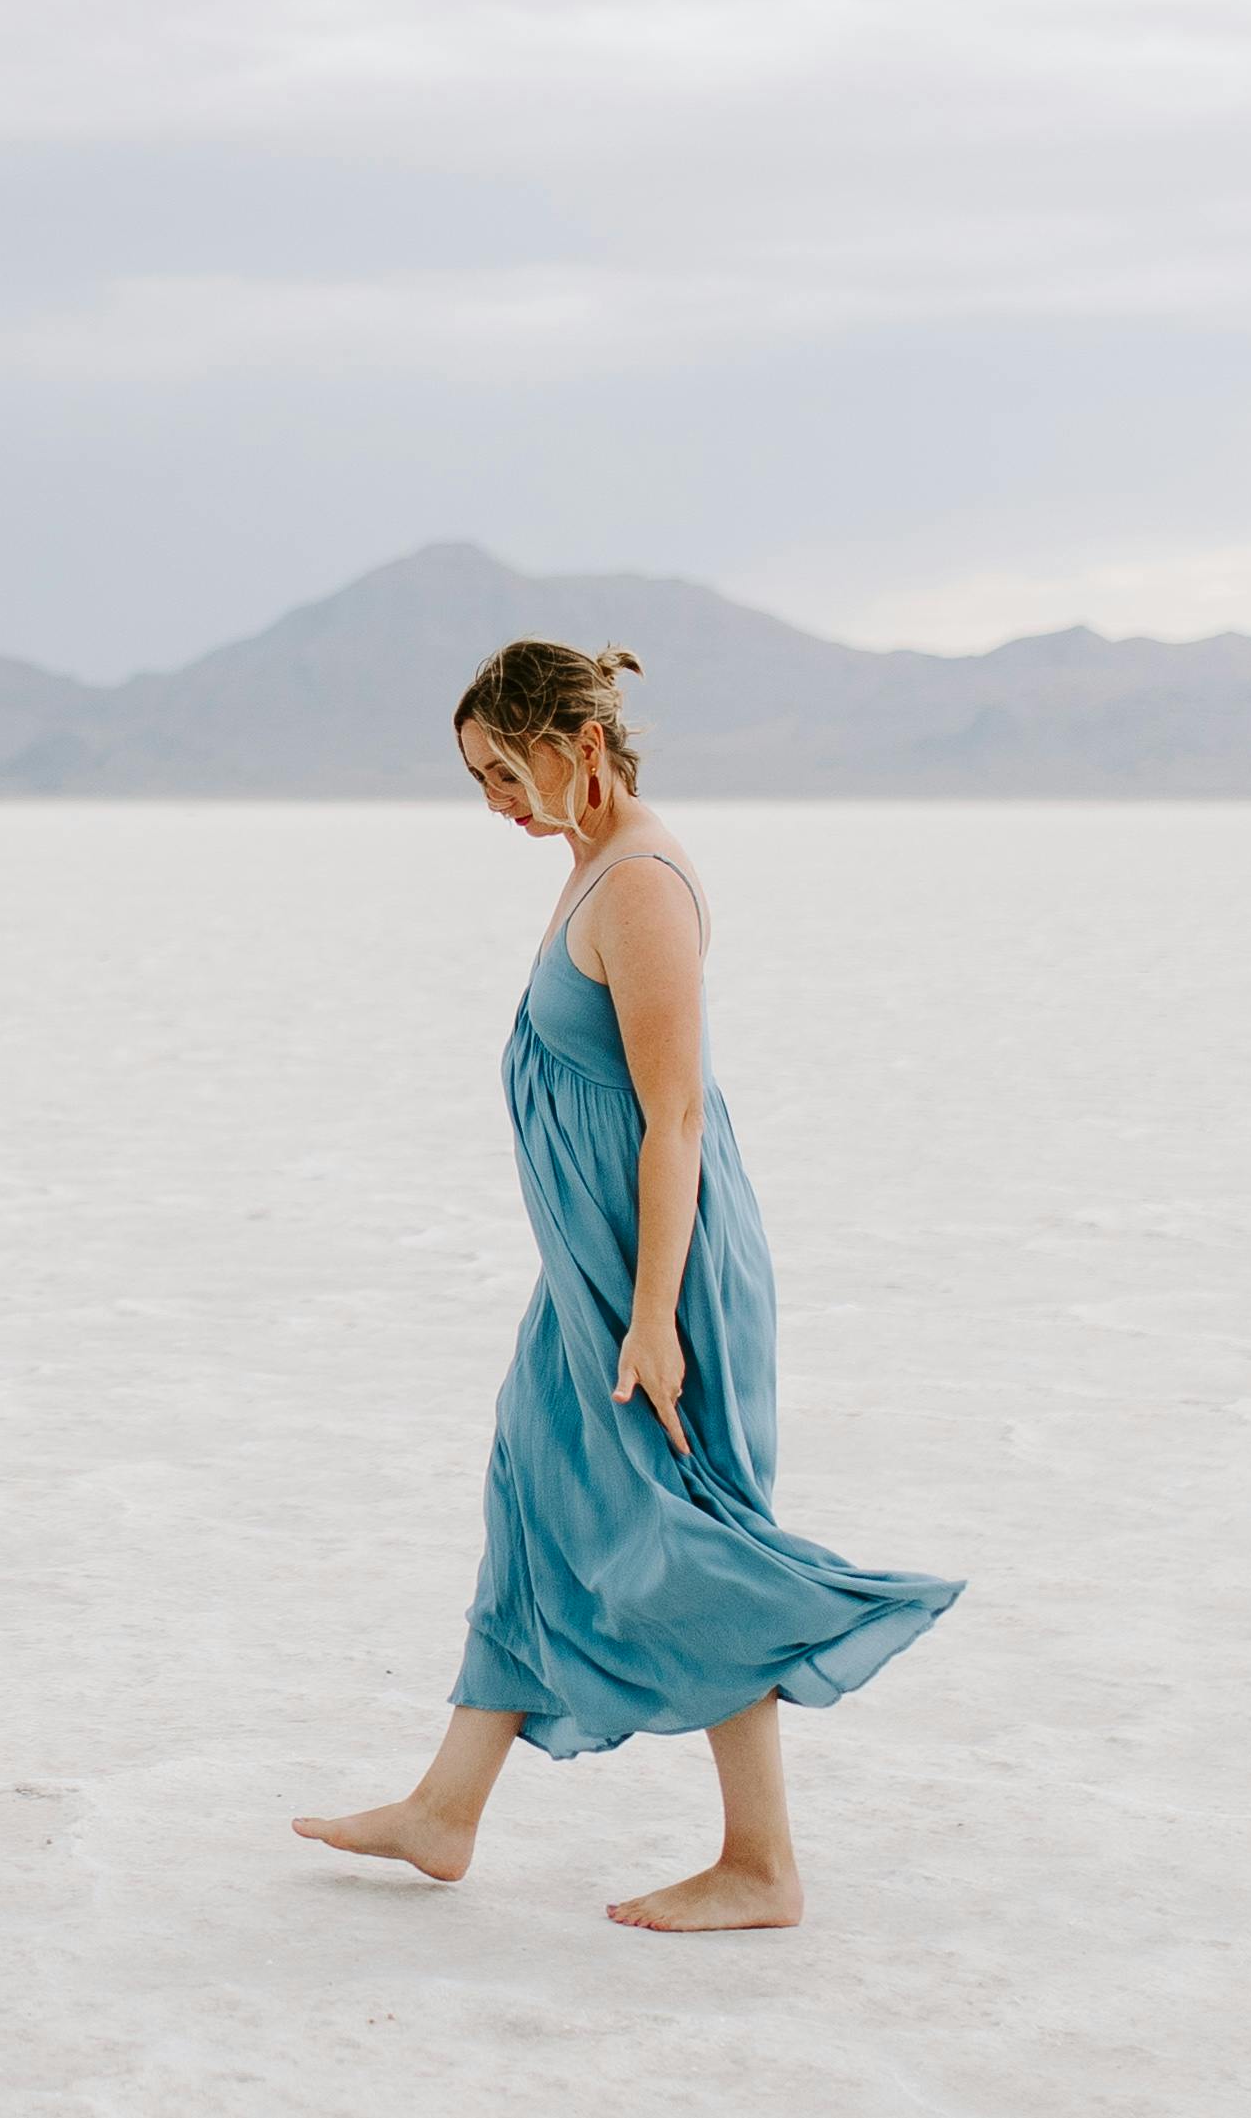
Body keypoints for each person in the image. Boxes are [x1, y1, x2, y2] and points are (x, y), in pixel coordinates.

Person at [294, 637, 963, 1929]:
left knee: (681, 1530)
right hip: (587, 1271)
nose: (489, 797)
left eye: (500, 768)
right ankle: (445, 1806)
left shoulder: (641, 882)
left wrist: (653, 1317)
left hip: (656, 1275)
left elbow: (673, 1121)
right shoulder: (588, 866)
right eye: (473, 775)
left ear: (576, 748)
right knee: (533, 1483)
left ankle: (761, 1863)